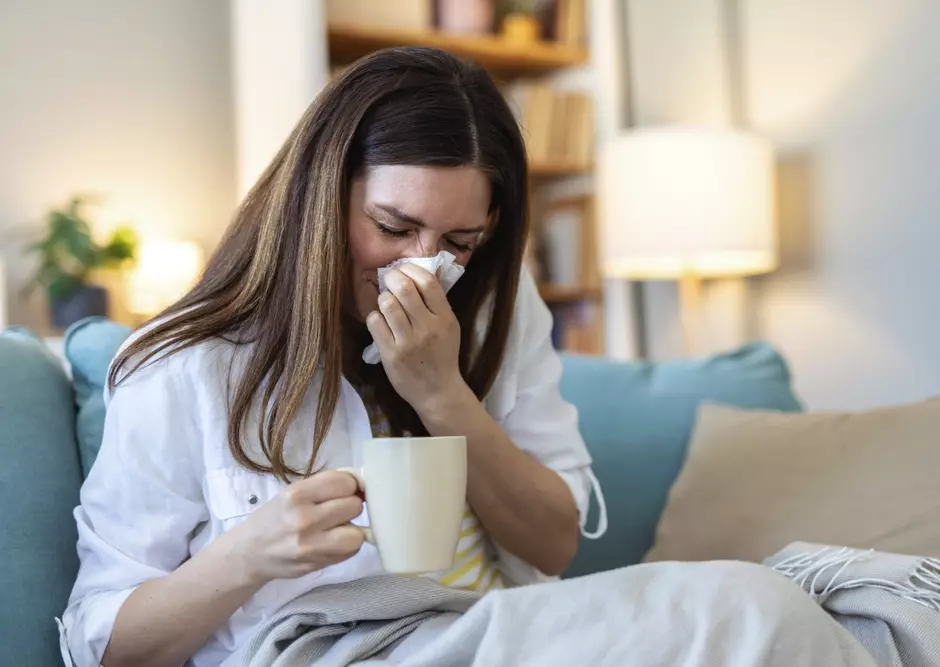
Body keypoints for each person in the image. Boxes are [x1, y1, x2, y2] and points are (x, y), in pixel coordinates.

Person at [59, 46, 605, 667]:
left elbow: (555, 546)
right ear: (322, 197)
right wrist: (247, 555)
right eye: (393, 228)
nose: (420, 268)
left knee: (727, 598)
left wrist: (443, 396)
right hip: (341, 651)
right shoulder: (186, 366)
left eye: (458, 241)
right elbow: (101, 647)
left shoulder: (494, 305)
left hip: (512, 638)